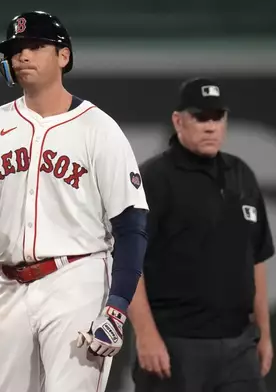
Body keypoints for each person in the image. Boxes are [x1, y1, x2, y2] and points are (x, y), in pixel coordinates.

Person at [0, 10, 149, 392]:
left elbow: (132, 226)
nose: (23, 56)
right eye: (15, 50)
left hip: (76, 280)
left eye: (35, 46)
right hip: (10, 289)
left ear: (64, 56)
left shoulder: (99, 129)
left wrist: (116, 306)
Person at [129, 77, 275, 392]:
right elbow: (128, 263)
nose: (211, 126)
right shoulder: (153, 179)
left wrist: (263, 333)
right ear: (178, 121)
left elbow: (256, 258)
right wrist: (145, 335)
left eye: (217, 117)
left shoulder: (241, 175)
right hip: (175, 345)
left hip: (239, 346)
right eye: (200, 117)